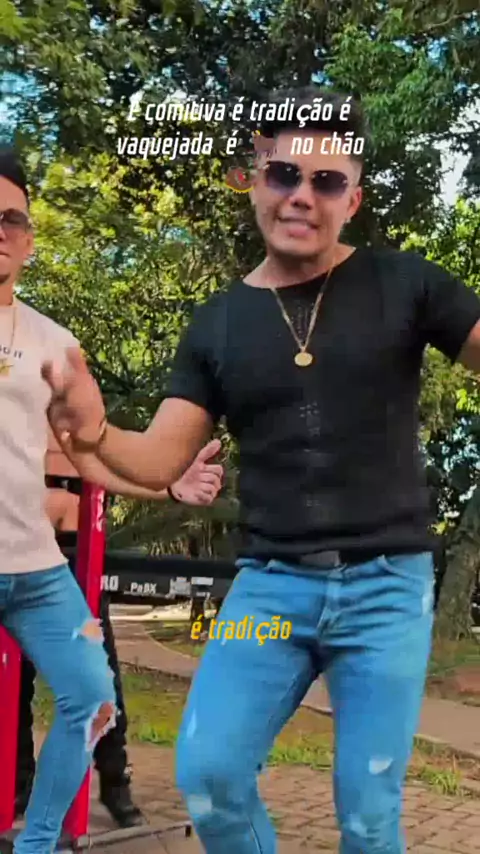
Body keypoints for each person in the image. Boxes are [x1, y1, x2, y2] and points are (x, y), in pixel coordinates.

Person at [43, 86, 480, 854]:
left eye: (326, 181)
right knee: (210, 777)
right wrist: (95, 428)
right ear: (253, 179)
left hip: (386, 589)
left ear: (353, 199)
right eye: (284, 174)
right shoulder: (217, 324)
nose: (301, 195)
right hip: (271, 589)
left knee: (368, 815)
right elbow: (162, 457)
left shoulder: (408, 285)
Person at [0, 148, 223, 854]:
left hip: (35, 572)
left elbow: (90, 450)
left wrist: (166, 482)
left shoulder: (55, 345)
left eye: (10, 219)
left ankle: (37, 843)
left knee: (94, 702)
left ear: (29, 239)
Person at [15, 429, 221, 829]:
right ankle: (17, 782)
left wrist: (171, 485)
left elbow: (117, 466)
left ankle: (115, 781)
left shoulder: (76, 414)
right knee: (11, 682)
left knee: (100, 680)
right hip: (19, 559)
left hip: (77, 561)